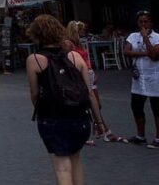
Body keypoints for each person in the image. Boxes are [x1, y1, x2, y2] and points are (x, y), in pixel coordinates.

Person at [26, 15, 104, 185]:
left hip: (52, 117)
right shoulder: (75, 56)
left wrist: (41, 113)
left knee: (62, 165)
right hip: (79, 116)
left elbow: (34, 93)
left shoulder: (34, 60)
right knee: (76, 160)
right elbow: (89, 92)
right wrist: (99, 121)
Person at [65, 20, 125, 144]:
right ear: (76, 31)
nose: (84, 33)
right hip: (81, 75)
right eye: (82, 30)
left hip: (88, 74)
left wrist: (92, 71)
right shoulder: (69, 44)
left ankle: (99, 129)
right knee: (90, 104)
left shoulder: (79, 43)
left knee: (95, 104)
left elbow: (86, 59)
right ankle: (103, 130)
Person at [124, 10, 159, 148]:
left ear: (151, 22)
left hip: (154, 77)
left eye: (146, 21)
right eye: (140, 22)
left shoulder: (157, 37)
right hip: (139, 79)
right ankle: (140, 135)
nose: (143, 24)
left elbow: (155, 56)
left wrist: (145, 39)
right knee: (136, 106)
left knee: (156, 108)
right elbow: (126, 51)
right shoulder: (132, 36)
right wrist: (144, 53)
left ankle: (158, 138)